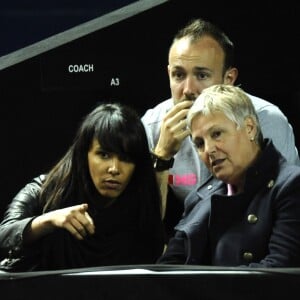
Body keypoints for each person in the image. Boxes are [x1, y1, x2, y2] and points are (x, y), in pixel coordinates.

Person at [141, 17, 300, 238]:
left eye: (202, 75)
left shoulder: (265, 120)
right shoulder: (151, 126)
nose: (188, 89)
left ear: (228, 79)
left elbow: (282, 210)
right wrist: (162, 156)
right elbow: (142, 224)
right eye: (179, 75)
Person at [0, 102, 165, 272]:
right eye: (104, 155)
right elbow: (4, 235)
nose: (114, 169)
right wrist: (48, 221)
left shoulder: (141, 203)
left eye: (126, 158)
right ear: (84, 154)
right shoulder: (46, 191)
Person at [157, 84, 300, 267]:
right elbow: (166, 269)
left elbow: (277, 274)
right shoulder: (199, 198)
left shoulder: (292, 186)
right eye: (199, 143)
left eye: (217, 134)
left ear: (249, 128)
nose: (208, 150)